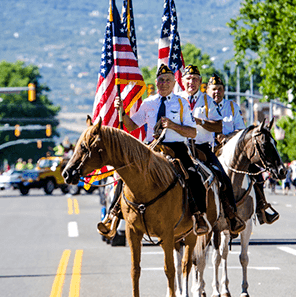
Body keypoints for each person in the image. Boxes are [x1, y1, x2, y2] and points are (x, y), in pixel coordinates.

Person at [114, 64, 209, 235]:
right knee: (126, 172)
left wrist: (172, 125)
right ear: (156, 83)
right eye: (161, 80)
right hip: (151, 147)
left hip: (176, 148)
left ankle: (199, 214)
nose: (164, 83)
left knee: (193, 175)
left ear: (174, 84)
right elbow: (132, 125)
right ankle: (114, 213)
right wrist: (121, 112)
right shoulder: (148, 103)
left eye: (167, 80)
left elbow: (192, 132)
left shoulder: (182, 103)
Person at [177, 65, 242, 233]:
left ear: (200, 82)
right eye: (188, 79)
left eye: (195, 79)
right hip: (179, 147)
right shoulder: (176, 99)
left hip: (202, 148)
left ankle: (231, 214)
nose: (191, 82)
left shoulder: (207, 101)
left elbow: (218, 125)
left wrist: (201, 122)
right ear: (183, 81)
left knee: (222, 176)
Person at [207, 74, 279, 224]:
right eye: (214, 89)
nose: (217, 92)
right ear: (207, 90)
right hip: (210, 148)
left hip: (232, 148)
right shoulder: (204, 106)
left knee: (254, 168)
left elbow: (241, 131)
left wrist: (226, 138)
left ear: (224, 91)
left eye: (220, 89)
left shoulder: (232, 106)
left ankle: (261, 206)